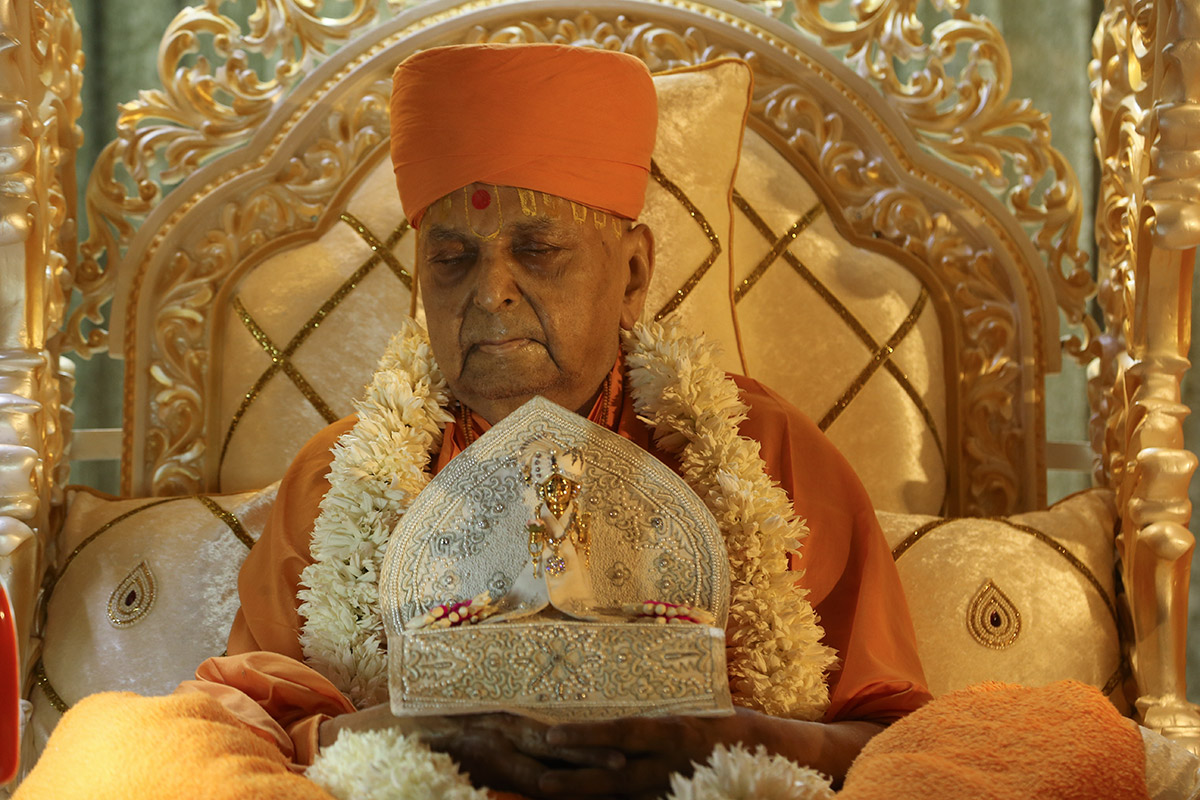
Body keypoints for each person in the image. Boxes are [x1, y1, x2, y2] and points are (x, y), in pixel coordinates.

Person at [16, 43, 930, 800]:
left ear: (637, 273)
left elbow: (891, 739)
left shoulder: (762, 454)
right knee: (117, 756)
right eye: (452, 259)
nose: (490, 290)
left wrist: (715, 737)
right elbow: (263, 732)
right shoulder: (346, 477)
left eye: (537, 249)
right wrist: (424, 731)